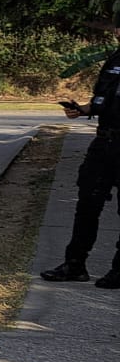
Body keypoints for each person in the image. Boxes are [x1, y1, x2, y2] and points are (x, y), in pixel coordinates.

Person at [40, 47, 120, 289]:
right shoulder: (116, 58)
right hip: (104, 143)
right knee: (87, 204)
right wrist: (84, 109)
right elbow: (106, 97)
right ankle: (74, 264)